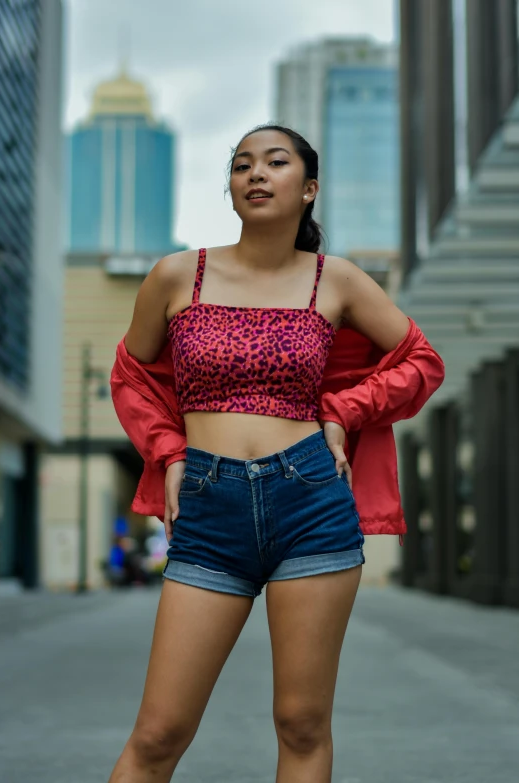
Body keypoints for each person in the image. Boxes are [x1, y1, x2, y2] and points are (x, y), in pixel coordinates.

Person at [108, 124, 445, 782]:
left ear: (308, 188)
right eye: (241, 165)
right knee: (158, 732)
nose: (255, 173)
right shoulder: (179, 274)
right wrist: (170, 449)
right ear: (231, 190)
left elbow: (422, 362)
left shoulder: (337, 280)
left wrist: (345, 412)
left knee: (301, 723)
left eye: (275, 162)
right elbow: (131, 375)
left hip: (311, 502)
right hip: (208, 510)